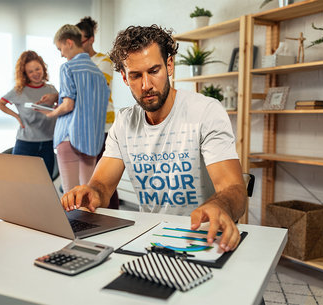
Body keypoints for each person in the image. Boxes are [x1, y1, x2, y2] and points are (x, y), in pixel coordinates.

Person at [61, 25, 247, 252]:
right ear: (124, 77)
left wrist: (221, 204)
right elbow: (102, 186)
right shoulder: (124, 122)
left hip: (203, 237)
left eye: (154, 71)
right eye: (136, 75)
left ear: (169, 66)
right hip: (151, 237)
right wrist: (91, 192)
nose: (146, 85)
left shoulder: (205, 112)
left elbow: (235, 189)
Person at [37, 24, 109, 193]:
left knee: (70, 195)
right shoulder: (98, 74)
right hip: (92, 140)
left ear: (69, 42)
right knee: (88, 195)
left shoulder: (67, 67)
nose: (61, 54)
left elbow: (69, 105)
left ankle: (73, 221)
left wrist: (51, 113)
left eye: (60, 48)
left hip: (69, 137)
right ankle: (87, 221)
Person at [76, 16, 120, 209]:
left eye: (82, 40)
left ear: (91, 39)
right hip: (84, 128)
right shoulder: (76, 63)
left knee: (105, 179)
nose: (79, 44)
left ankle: (114, 214)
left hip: (103, 126)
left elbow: (95, 90)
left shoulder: (103, 61)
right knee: (90, 178)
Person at [0, 50, 58, 175]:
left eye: (37, 69)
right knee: (20, 183)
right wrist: (17, 116)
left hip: (47, 144)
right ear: (25, 74)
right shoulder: (19, 90)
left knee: (45, 185)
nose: (35, 73)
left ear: (43, 68)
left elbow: (60, 108)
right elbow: (0, 104)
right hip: (25, 144)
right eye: (30, 71)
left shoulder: (51, 89)